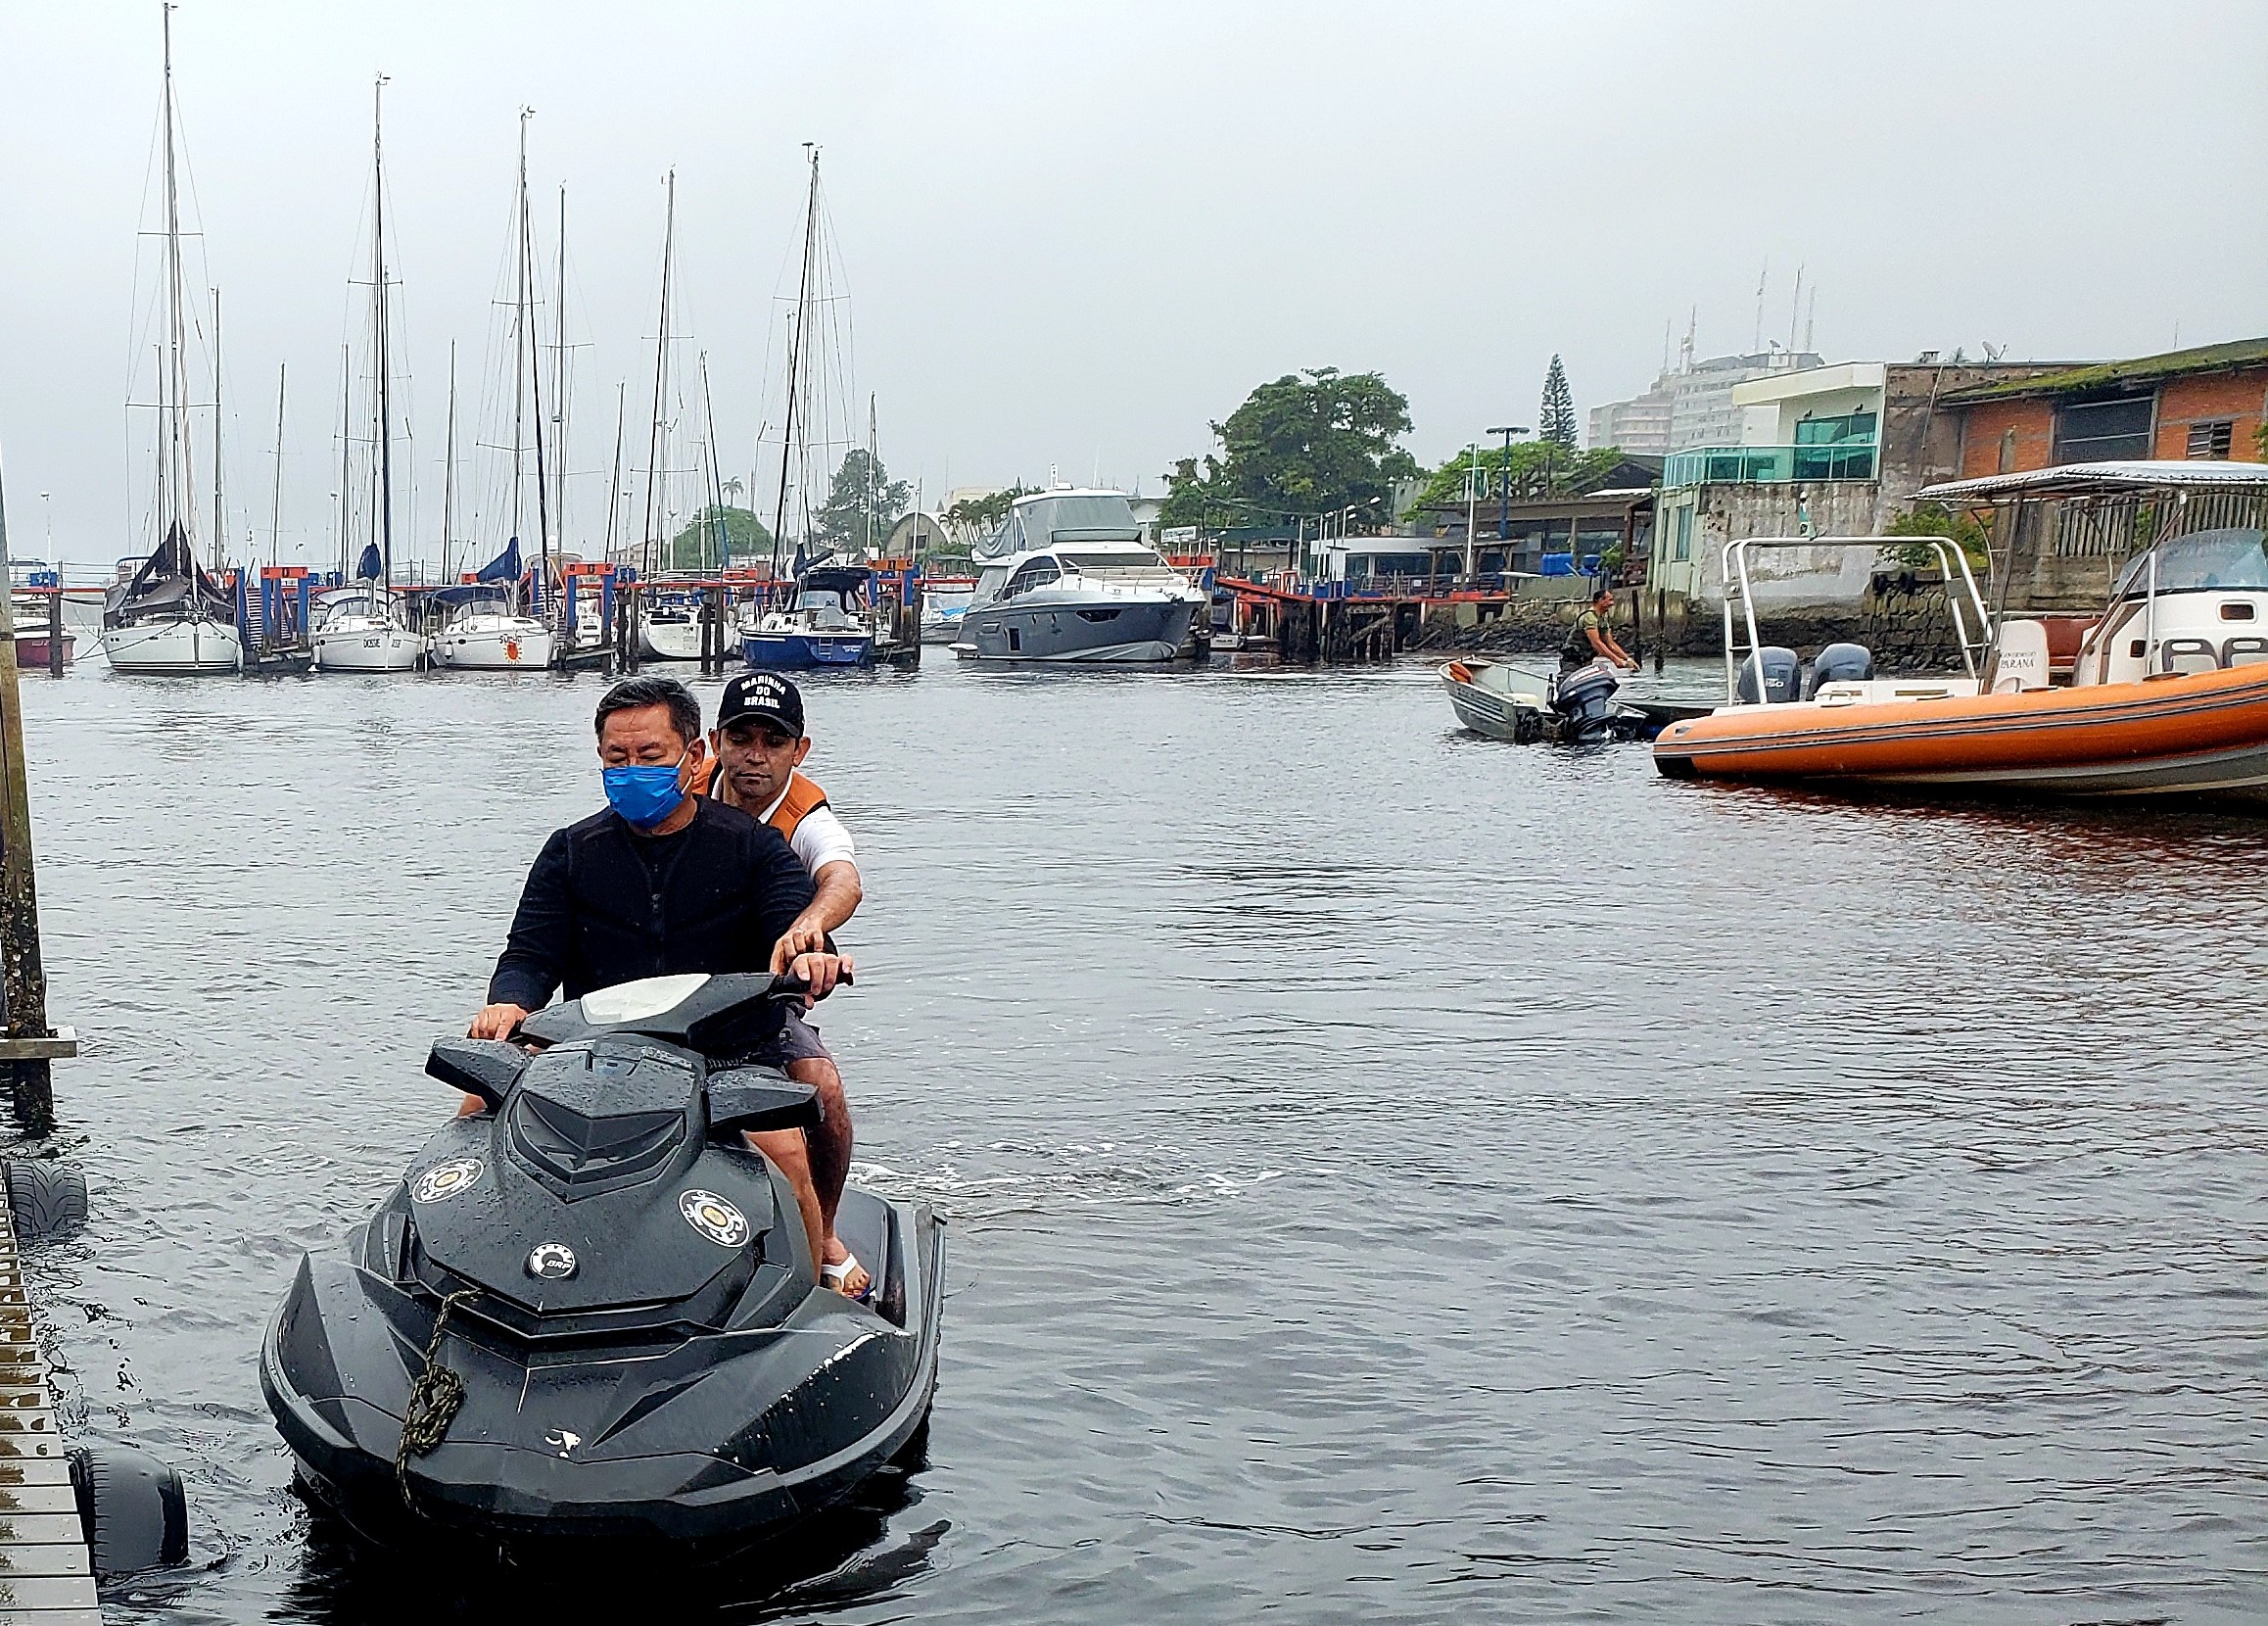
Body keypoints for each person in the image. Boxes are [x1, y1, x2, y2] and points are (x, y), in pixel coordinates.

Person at [467, 674, 859, 1293]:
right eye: (617, 759)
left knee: (784, 1153)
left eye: (650, 757)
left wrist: (812, 955)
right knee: (476, 1102)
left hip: (727, 1052)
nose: (632, 770)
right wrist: (507, 1005)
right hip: (597, 1053)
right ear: (598, 760)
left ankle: (808, 1296)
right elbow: (529, 955)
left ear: (692, 756)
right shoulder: (570, 851)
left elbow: (800, 921)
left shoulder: (754, 847)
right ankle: (453, 1270)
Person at [700, 672, 870, 1299]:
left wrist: (808, 929)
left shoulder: (806, 817)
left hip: (760, 997)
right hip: (670, 988)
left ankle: (821, 1232)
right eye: (741, 737)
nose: (754, 755)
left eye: (773, 741)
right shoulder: (680, 794)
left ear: (798, 750)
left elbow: (843, 879)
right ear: (715, 742)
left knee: (820, 1085)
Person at [1562, 585, 1638, 674]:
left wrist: (1627, 659)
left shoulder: (1603, 618)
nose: (1612, 603)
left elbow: (1610, 643)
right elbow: (1597, 643)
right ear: (1600, 601)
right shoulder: (1590, 617)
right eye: (1609, 600)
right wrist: (1616, 660)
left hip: (1586, 659)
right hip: (1572, 659)